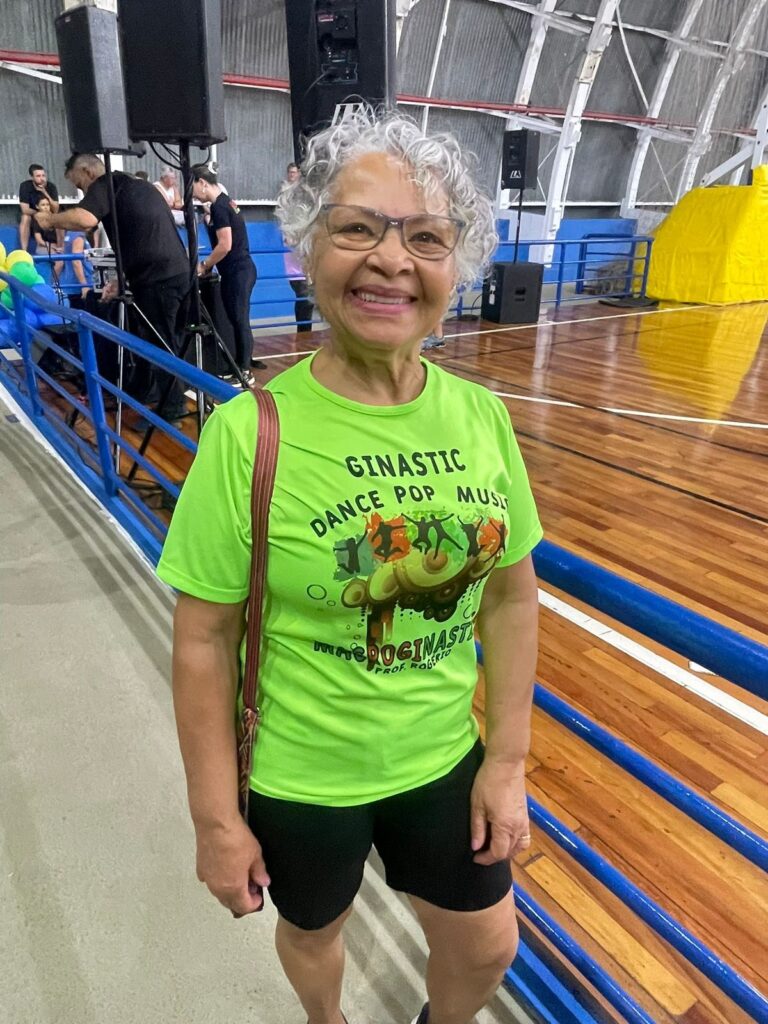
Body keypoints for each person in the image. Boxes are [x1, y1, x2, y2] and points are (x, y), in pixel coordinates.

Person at [158, 110, 541, 1024]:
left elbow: (512, 599)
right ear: (307, 246)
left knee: (488, 945)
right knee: (315, 932)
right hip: (301, 775)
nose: (391, 259)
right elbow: (204, 643)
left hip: (444, 758)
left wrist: (509, 761)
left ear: (460, 263)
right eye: (358, 227)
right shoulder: (247, 436)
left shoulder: (481, 418)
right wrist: (217, 821)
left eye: (426, 236)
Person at [35, 153, 192, 422]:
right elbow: (142, 238)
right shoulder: (135, 186)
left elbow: (86, 219)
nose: (82, 191)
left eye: (79, 184)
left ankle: (173, 407)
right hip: (174, 271)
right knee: (150, 337)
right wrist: (121, 280)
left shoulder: (104, 185)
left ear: (86, 172)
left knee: (160, 343)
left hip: (158, 279)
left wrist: (50, 221)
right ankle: (147, 392)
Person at [191, 164, 265, 376]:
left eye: (193, 187)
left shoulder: (220, 207)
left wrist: (205, 265)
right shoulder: (226, 203)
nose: (193, 195)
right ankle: (243, 360)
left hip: (238, 270)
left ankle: (243, 371)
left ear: (202, 183)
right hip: (237, 270)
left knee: (239, 318)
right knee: (236, 318)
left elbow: (225, 245)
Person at [281, 163, 315, 333]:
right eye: (290, 173)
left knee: (307, 296)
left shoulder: (306, 196)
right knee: (303, 294)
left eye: (295, 173)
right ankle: (303, 331)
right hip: (295, 257)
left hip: (306, 254)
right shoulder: (286, 196)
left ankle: (305, 330)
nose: (292, 175)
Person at [18, 163, 60, 253]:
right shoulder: (25, 186)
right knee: (25, 217)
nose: (42, 178)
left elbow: (56, 209)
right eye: (38, 176)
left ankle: (60, 246)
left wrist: (45, 193)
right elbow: (24, 209)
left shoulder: (51, 187)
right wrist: (38, 213)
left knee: (60, 217)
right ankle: (24, 251)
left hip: (49, 214)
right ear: (32, 177)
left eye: (43, 175)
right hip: (33, 214)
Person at [32, 196, 64, 279]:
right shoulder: (36, 220)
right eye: (43, 205)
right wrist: (53, 247)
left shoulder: (54, 218)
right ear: (37, 207)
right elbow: (39, 241)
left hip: (57, 246)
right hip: (43, 246)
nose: (46, 207)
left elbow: (62, 236)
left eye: (47, 205)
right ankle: (53, 285)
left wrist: (61, 247)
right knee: (60, 262)